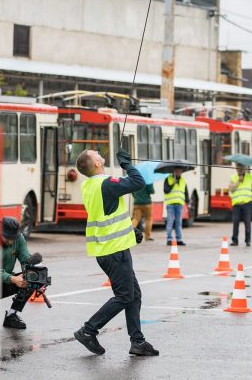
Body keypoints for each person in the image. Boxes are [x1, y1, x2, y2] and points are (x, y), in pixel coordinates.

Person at [73, 148, 159, 357]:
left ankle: (137, 341)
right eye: (93, 153)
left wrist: (131, 232)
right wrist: (127, 165)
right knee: (124, 296)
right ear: (95, 163)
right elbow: (138, 183)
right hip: (114, 251)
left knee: (133, 295)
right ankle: (88, 330)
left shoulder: (89, 185)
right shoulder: (105, 183)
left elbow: (108, 214)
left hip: (108, 249)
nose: (97, 152)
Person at [230, 163, 252, 247]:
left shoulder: (250, 177)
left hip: (247, 203)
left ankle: (248, 240)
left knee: (247, 222)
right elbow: (231, 189)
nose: (239, 169)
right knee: (235, 222)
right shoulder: (233, 177)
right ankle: (235, 240)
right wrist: (238, 181)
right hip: (236, 204)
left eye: (241, 168)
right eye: (238, 168)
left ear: (244, 168)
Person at [163, 167, 188, 246]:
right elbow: (166, 190)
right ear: (173, 172)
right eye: (177, 171)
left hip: (179, 204)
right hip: (170, 204)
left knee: (179, 223)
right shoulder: (168, 179)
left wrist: (188, 202)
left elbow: (186, 192)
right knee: (170, 222)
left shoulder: (183, 180)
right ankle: (169, 239)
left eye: (180, 171)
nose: (178, 172)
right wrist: (173, 183)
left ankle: (179, 239)